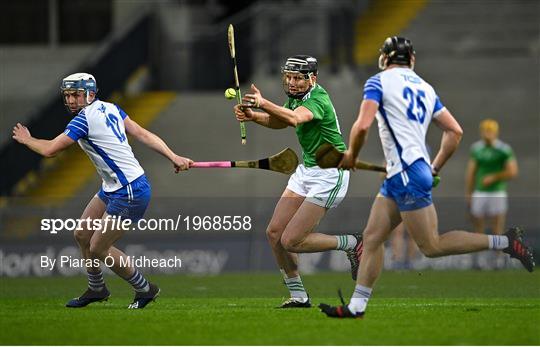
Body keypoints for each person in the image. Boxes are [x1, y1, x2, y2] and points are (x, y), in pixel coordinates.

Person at [319, 37, 535, 319]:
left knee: (431, 245)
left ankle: (506, 242)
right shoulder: (425, 88)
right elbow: (454, 132)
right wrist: (433, 168)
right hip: (406, 172)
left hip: (406, 174)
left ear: (384, 59)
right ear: (412, 60)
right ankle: (356, 307)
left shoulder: (378, 81)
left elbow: (361, 126)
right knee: (372, 238)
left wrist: (351, 155)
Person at [12, 73, 193, 309]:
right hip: (113, 187)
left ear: (90, 94)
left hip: (129, 190)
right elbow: (142, 134)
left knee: (98, 247)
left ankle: (145, 289)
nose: (71, 100)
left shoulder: (83, 120)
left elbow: (50, 150)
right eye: (68, 95)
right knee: (82, 235)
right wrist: (173, 156)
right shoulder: (111, 108)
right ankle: (97, 288)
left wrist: (27, 140)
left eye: (76, 94)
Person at [234, 55, 363, 308]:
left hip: (329, 174)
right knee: (274, 233)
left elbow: (294, 119)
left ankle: (353, 242)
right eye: (289, 77)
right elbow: (280, 121)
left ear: (312, 78)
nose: (292, 83)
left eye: (297, 78)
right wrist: (253, 115)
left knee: (291, 240)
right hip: (307, 171)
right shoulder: (296, 97)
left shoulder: (318, 99)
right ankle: (299, 296)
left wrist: (262, 102)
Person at [466, 119, 518, 236]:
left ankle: (498, 253)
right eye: (484, 131)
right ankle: (479, 251)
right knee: (478, 226)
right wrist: (469, 193)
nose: (487, 134)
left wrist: (494, 177)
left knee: (497, 227)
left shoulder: (504, 150)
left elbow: (513, 171)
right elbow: (471, 172)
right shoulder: (476, 149)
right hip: (480, 191)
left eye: (490, 131)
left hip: (497, 192)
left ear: (496, 132)